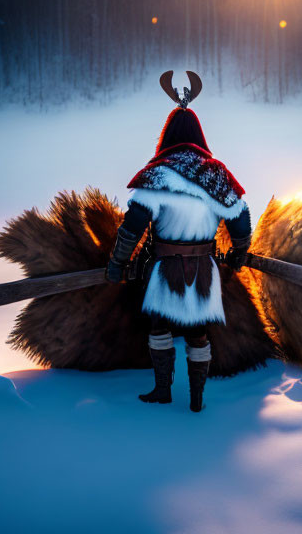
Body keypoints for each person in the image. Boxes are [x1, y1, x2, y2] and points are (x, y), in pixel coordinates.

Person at [105, 71, 252, 412]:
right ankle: (197, 398)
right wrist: (239, 253)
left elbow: (133, 226)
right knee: (199, 333)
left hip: (163, 268)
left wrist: (117, 264)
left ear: (167, 134)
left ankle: (162, 390)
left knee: (159, 328)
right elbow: (241, 220)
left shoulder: (157, 173)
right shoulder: (216, 175)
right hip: (204, 269)